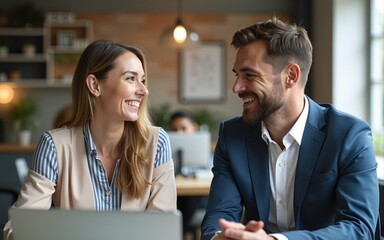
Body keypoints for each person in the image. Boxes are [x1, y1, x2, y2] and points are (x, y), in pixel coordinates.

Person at [201, 17, 380, 240]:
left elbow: (359, 228)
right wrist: (220, 236)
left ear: (291, 76)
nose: (237, 87)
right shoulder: (232, 136)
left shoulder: (349, 136)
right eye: (237, 75)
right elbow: (219, 214)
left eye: (250, 75)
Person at [3, 40, 177, 239]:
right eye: (130, 78)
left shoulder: (156, 142)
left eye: (143, 80)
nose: (143, 90)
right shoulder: (54, 146)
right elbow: (17, 230)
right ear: (95, 85)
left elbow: (163, 231)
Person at [169, 110, 208, 239]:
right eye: (174, 130)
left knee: (188, 200)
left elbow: (211, 171)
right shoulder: (165, 154)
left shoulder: (205, 152)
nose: (179, 133)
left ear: (194, 128)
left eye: (183, 128)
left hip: (199, 198)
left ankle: (181, 234)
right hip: (175, 194)